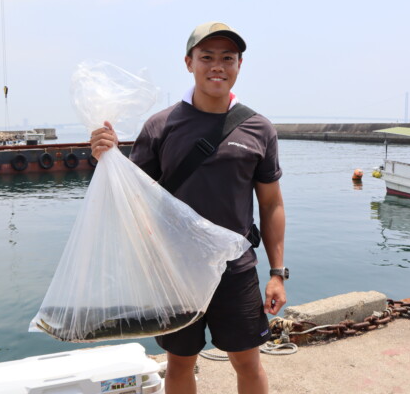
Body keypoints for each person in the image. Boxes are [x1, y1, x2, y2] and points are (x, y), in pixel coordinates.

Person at [90, 21, 286, 394]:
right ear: (188, 63)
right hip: (173, 269)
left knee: (247, 360)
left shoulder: (259, 128)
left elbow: (272, 203)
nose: (217, 66)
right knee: (180, 363)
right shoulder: (161, 126)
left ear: (239, 66)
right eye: (206, 57)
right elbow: (132, 195)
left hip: (236, 268)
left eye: (227, 58)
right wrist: (108, 157)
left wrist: (277, 272)